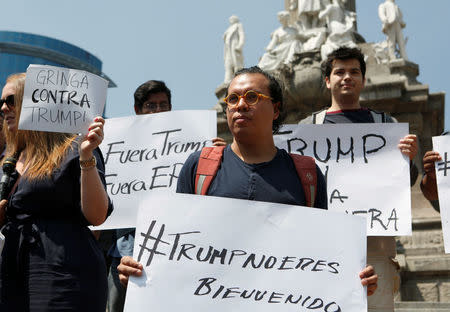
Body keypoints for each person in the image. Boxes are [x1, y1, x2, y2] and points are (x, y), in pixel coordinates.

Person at [118, 66, 378, 296]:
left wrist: (352, 281)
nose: (240, 105)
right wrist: (142, 270)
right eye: (232, 99)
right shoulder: (198, 167)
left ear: (276, 109)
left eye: (252, 97)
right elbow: (174, 250)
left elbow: (324, 254)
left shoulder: (307, 175)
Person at [299, 47, 417, 312]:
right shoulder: (307, 128)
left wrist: (407, 159)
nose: (347, 77)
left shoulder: (386, 124)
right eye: (339, 72)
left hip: (374, 246)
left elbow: (405, 182)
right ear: (327, 81)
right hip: (321, 247)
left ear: (363, 80)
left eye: (354, 72)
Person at [107, 80, 226, 312]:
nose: (159, 111)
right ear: (137, 110)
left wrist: (222, 158)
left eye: (163, 105)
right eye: (151, 106)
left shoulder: (191, 144)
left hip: (172, 250)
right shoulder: (118, 145)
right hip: (124, 252)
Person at [0, 73, 113, 311]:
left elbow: (97, 216)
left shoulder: (74, 147)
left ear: (34, 100)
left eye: (11, 100)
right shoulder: (7, 159)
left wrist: (86, 156)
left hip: (63, 274)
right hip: (12, 272)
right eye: (1, 103)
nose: (3, 108)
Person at [223, 15, 245, 83]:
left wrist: (240, 45)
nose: (231, 20)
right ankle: (228, 79)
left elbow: (242, 35)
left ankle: (238, 75)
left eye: (232, 19)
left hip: (234, 45)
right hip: (228, 47)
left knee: (236, 62)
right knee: (228, 62)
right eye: (230, 19)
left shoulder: (238, 25)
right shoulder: (228, 29)